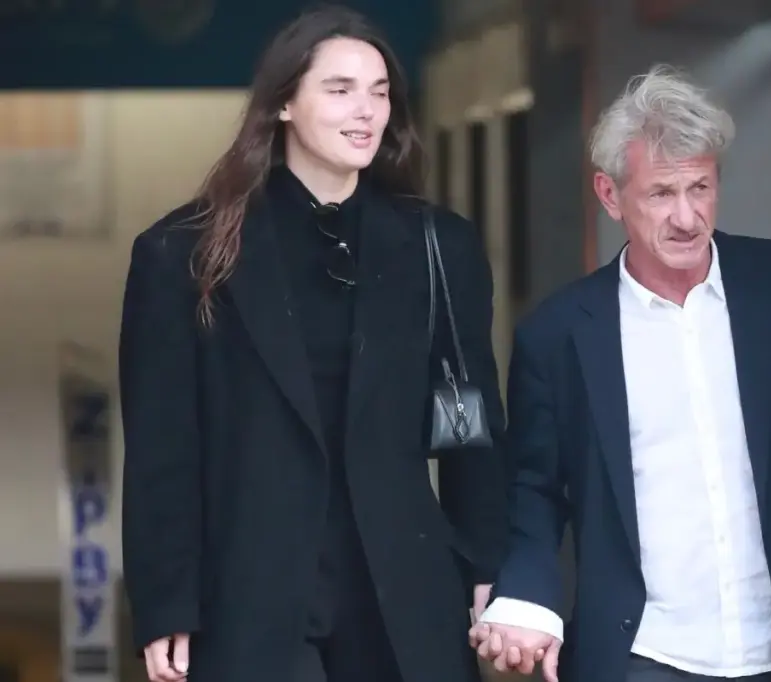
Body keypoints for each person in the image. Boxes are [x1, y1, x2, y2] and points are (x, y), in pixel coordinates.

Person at [119, 7, 506, 682]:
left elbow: (470, 417)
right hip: (250, 592)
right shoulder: (182, 253)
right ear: (286, 105)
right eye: (340, 89)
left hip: (402, 587)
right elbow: (163, 449)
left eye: (380, 91)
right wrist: (165, 602)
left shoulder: (438, 245)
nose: (366, 111)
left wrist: (484, 560)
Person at [469, 65, 771, 682]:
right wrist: (528, 598)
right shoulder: (558, 334)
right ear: (610, 196)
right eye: (662, 193)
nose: (687, 217)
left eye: (700, 188)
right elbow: (535, 489)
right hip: (646, 656)